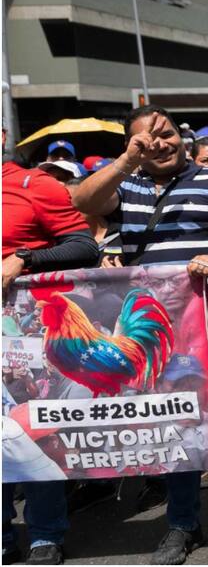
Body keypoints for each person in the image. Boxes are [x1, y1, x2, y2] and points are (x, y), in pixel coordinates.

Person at [72, 105, 208, 564]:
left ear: (183, 138)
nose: (159, 144)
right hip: (158, 335)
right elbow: (83, 202)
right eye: (146, 138)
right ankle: (182, 525)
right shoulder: (127, 187)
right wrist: (129, 161)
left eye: (166, 134)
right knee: (174, 427)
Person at [2, 140, 100, 566]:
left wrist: (23, 258)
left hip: (23, 332)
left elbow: (85, 247)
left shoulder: (34, 184)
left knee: (30, 429)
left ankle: (45, 534)